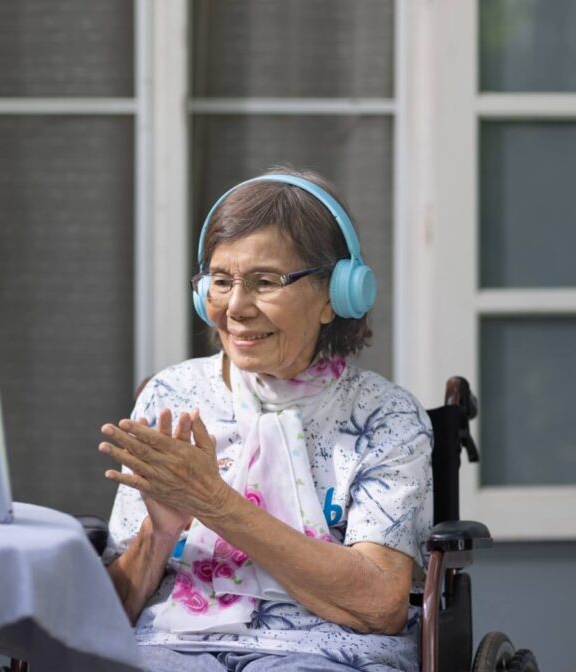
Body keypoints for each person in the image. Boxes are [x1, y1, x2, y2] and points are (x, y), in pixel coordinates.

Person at [98, 168, 433, 672]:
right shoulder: (172, 396)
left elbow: (379, 605)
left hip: (326, 655)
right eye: (221, 281)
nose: (235, 308)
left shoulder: (385, 417)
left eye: (264, 282)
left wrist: (212, 502)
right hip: (167, 649)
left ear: (335, 295)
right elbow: (107, 617)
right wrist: (159, 533)